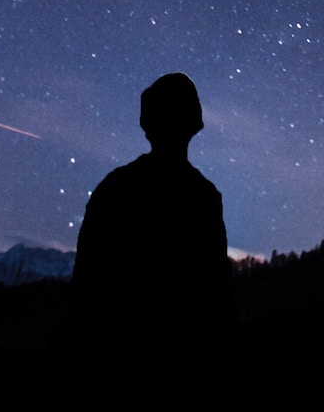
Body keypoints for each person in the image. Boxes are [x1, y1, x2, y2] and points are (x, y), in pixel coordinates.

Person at [70, 72, 231, 353]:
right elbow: (216, 293)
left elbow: (85, 283)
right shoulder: (203, 195)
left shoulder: (115, 187)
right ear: (194, 123)